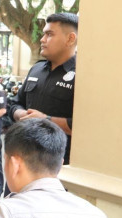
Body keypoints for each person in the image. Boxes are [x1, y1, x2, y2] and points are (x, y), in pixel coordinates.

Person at [8, 12, 78, 164]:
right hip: (24, 157)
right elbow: (14, 104)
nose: (42, 39)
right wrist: (21, 114)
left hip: (57, 165)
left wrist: (45, 120)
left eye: (49, 34)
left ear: (70, 38)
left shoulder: (83, 75)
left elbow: (85, 126)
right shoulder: (37, 69)